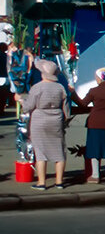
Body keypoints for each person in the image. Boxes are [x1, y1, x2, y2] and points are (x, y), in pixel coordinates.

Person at [23, 59, 70, 190]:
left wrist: (21, 100)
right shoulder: (60, 87)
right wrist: (65, 120)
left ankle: (41, 182)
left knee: (40, 151)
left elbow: (28, 107)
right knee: (59, 151)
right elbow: (66, 108)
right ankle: (59, 182)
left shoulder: (37, 87)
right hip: (56, 118)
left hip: (39, 118)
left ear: (43, 74)